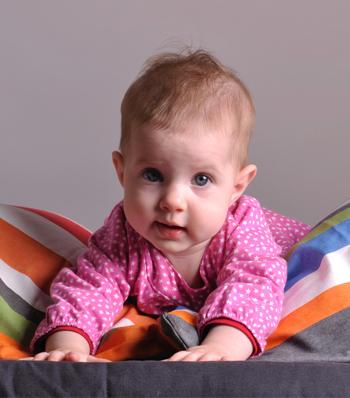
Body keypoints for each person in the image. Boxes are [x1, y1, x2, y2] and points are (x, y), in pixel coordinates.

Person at [29, 49, 310, 362]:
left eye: (201, 179)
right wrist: (69, 348)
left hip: (296, 253)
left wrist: (222, 347)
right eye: (153, 175)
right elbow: (89, 288)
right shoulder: (123, 232)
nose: (173, 201)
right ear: (122, 171)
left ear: (237, 187)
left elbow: (253, 285)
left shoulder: (241, 226)